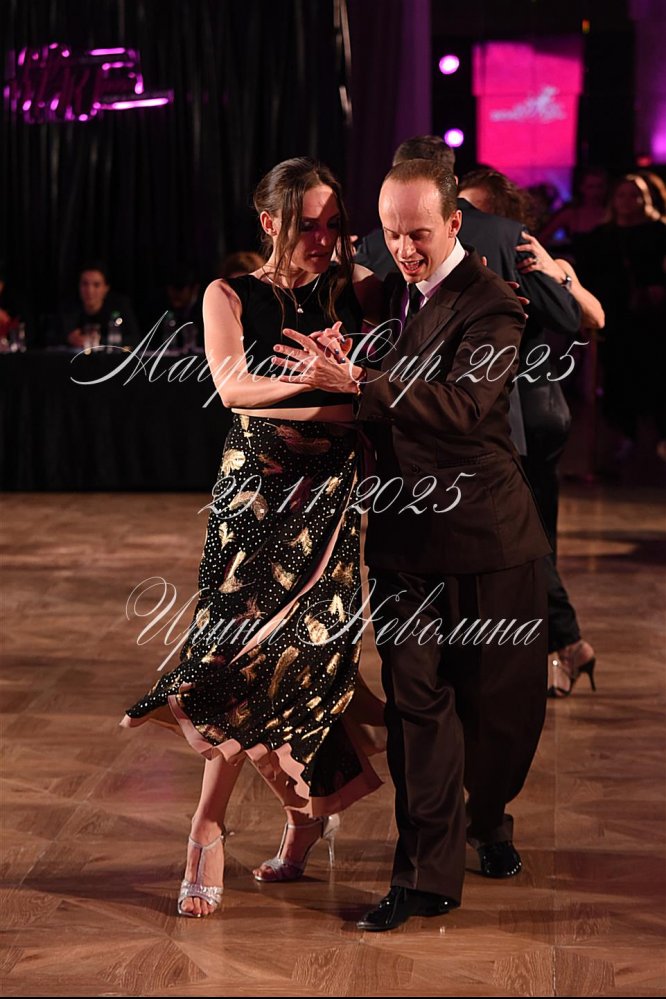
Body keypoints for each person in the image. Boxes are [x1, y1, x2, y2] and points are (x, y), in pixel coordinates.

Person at [275, 158, 551, 931]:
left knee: (498, 718)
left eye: (418, 234)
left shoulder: (494, 303)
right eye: (391, 234)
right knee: (416, 710)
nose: (403, 249)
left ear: (455, 223)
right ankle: (425, 876)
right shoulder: (391, 298)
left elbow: (465, 405)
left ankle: (488, 816)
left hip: (488, 539)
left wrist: (359, 382)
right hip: (404, 542)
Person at [121, 157, 385, 918]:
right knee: (232, 656)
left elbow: (379, 390)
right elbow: (233, 386)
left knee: (309, 660)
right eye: (308, 225)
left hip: (330, 500)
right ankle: (208, 825)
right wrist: (326, 387)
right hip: (255, 501)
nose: (323, 238)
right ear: (269, 221)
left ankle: (302, 817)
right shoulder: (229, 293)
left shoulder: (361, 288)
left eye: (334, 224)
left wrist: (348, 388)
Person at [459, 169, 604, 698]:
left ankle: (564, 642)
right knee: (533, 536)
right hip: (532, 412)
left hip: (530, 411)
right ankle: (556, 650)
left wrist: (557, 274)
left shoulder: (527, 257)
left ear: (502, 216)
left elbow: (594, 317)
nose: (462, 221)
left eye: (472, 211)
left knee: (528, 539)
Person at [576, 174, 666, 465]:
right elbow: (587, 277)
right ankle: (626, 435)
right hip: (613, 316)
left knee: (655, 373)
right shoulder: (601, 236)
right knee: (618, 375)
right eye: (621, 195)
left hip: (652, 317)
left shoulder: (658, 231)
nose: (627, 201)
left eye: (633, 195)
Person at [60, 261, 141, 348]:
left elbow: (134, 339)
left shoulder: (120, 305)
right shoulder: (69, 307)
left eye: (96, 285)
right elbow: (53, 336)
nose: (89, 291)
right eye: (85, 284)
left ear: (106, 288)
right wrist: (70, 338)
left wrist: (96, 341)